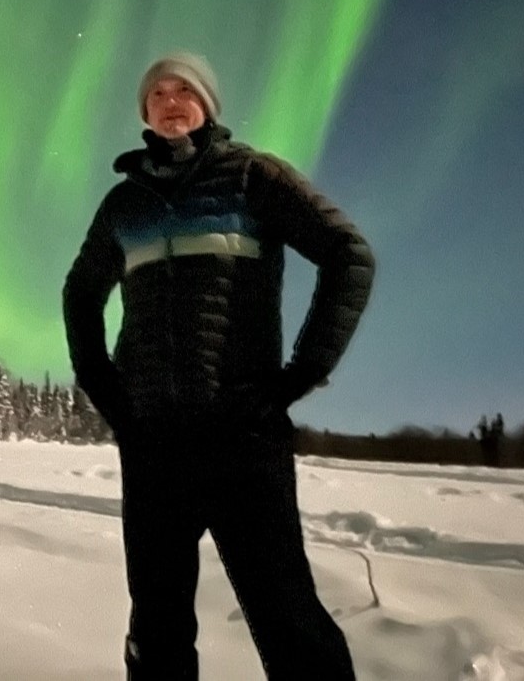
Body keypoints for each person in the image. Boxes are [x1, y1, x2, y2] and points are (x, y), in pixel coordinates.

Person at [62, 52, 375, 680]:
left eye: (186, 90)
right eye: (157, 94)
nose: (171, 102)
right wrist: (107, 389)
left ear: (208, 105)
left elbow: (349, 253)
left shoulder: (254, 177)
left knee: (286, 618)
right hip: (153, 446)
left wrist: (301, 372)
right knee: (157, 625)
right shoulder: (124, 205)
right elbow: (80, 292)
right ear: (145, 112)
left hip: (243, 435)